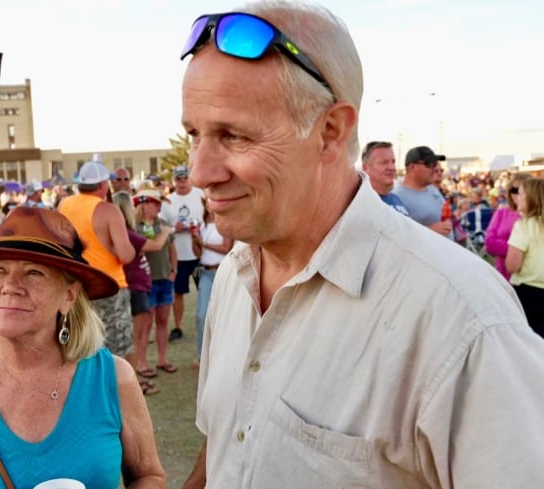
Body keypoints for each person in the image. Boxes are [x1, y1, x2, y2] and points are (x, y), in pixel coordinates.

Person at [179, 3, 544, 488]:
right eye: (194, 135)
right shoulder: (234, 274)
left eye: (235, 135)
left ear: (330, 131)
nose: (200, 171)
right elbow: (229, 439)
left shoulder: (461, 320)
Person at [0, 206, 165, 488]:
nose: (10, 286)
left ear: (69, 295)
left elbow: (148, 475)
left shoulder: (114, 378)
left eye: (34, 272)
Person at [58, 160, 137, 366]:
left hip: (75, 284)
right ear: (103, 185)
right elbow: (126, 255)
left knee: (81, 345)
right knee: (116, 350)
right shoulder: (107, 210)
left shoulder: (64, 204)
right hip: (109, 286)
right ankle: (115, 393)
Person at [112, 191, 172, 396]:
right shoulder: (126, 232)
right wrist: (166, 231)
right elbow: (155, 245)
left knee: (135, 336)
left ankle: (133, 378)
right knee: (134, 338)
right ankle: (133, 380)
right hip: (135, 288)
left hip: (140, 286)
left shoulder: (126, 231)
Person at [133, 189, 178, 379]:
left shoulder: (163, 224)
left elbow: (172, 249)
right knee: (145, 324)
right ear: (144, 205)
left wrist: (174, 270)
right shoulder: (136, 227)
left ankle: (162, 359)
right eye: (155, 204)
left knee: (163, 320)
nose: (158, 208)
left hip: (165, 279)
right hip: (147, 282)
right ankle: (142, 363)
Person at [159, 165, 204, 341]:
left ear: (189, 178)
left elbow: (211, 216)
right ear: (174, 180)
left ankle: (210, 324)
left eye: (185, 177)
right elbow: (161, 227)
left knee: (207, 292)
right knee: (178, 293)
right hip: (178, 255)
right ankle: (177, 327)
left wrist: (198, 227)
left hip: (200, 252)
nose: (182, 181)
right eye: (179, 178)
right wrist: (173, 228)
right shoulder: (168, 201)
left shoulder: (200, 194)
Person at [190, 202, 233, 368]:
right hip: (206, 273)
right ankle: (202, 356)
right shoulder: (201, 224)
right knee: (202, 315)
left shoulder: (226, 222)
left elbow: (226, 247)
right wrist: (195, 241)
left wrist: (202, 243)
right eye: (207, 201)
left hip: (223, 272)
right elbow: (198, 253)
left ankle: (224, 355)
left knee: (225, 314)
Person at [506, 177, 544, 337]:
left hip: (529, 294)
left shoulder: (524, 226)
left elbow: (512, 265)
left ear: (531, 197)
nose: (516, 198)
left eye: (520, 193)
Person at [392, 146, 454, 239]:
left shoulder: (432, 189)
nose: (435, 168)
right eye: (430, 164)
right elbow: (397, 236)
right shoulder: (397, 196)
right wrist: (429, 231)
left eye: (435, 164)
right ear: (413, 167)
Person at [485, 172, 532, 280]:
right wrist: (516, 250)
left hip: (530, 279)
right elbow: (489, 243)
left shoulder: (538, 216)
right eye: (514, 190)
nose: (517, 194)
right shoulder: (502, 212)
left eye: (522, 191)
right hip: (503, 276)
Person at [360, 141, 410, 216]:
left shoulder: (396, 199)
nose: (392, 167)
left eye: (393, 162)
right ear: (365, 168)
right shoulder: (361, 203)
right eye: (384, 162)